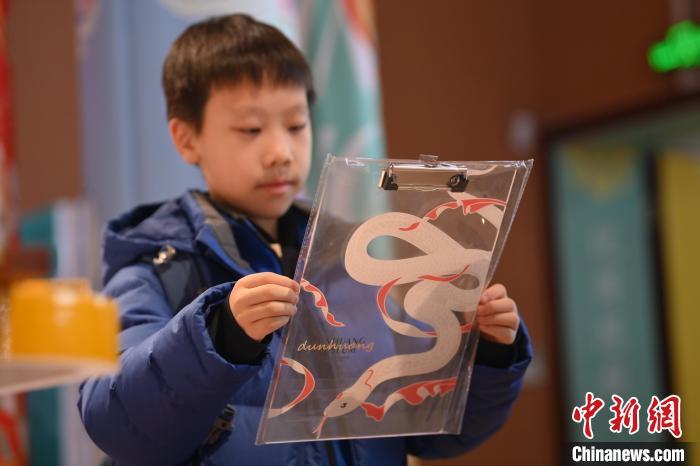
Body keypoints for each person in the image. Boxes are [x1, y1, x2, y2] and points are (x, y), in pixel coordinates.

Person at [78, 13, 531, 466]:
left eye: (296, 125)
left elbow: (428, 431)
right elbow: (116, 422)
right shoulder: (158, 267)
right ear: (186, 138)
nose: (280, 152)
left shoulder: (348, 261)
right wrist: (218, 337)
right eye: (251, 129)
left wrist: (489, 352)